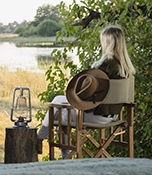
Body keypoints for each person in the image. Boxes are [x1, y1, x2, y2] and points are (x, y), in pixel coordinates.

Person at [36, 25, 136, 158]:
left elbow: (88, 98)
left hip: (95, 115)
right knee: (58, 100)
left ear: (107, 43)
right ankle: (40, 137)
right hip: (113, 116)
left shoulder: (105, 65)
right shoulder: (126, 68)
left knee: (60, 114)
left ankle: (59, 152)